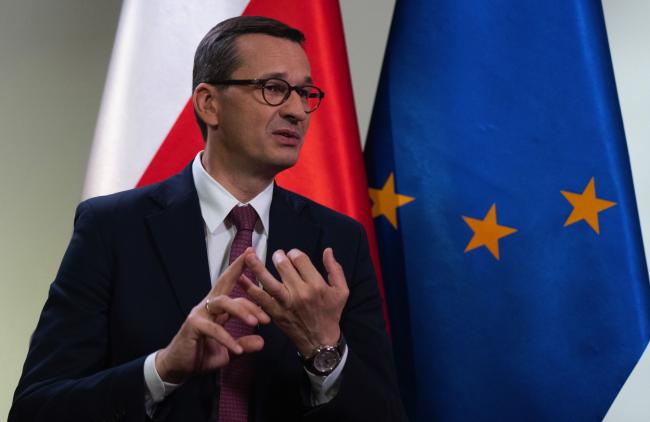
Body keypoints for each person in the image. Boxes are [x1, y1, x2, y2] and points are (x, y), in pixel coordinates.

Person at [10, 16, 406, 422]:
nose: (297, 111)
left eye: (305, 93)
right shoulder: (111, 228)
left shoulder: (338, 241)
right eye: (274, 89)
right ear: (208, 103)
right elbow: (35, 409)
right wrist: (162, 370)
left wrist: (325, 349)